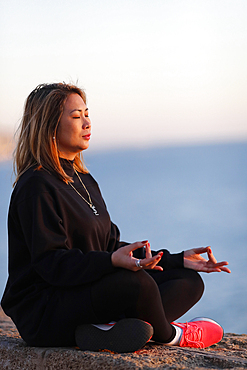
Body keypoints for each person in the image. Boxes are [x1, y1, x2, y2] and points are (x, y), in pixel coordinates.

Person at [1, 83, 231, 353]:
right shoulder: (36, 186)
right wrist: (111, 262)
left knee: (187, 280)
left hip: (85, 293)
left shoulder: (84, 180)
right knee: (135, 284)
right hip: (46, 310)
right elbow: (51, 264)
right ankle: (172, 335)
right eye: (76, 117)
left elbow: (110, 246)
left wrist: (174, 259)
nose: (87, 123)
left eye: (87, 114)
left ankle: (107, 330)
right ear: (49, 126)